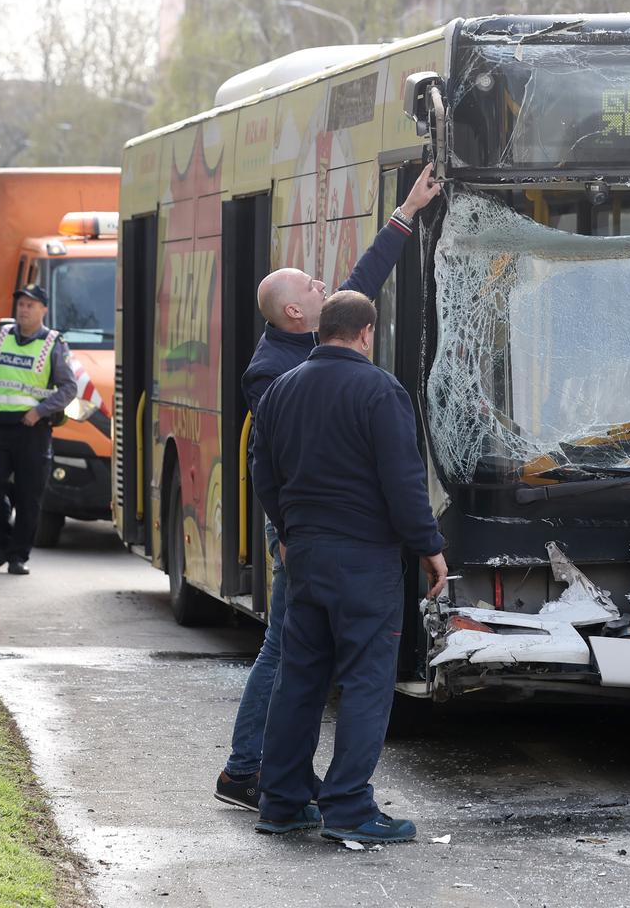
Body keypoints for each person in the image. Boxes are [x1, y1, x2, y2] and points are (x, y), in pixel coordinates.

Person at [214, 164, 442, 810]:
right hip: (302, 529)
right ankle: (246, 769)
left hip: (309, 529)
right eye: (315, 287)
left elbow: (361, 285)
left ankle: (277, 782)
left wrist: (406, 211)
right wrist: (287, 532)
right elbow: (269, 465)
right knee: (285, 651)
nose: (327, 287)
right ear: (296, 312)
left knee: (296, 653)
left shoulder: (313, 338)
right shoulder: (270, 372)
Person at [250, 291, 447, 845]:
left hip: (305, 556)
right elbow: (403, 481)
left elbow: (263, 472)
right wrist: (429, 546)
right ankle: (348, 808)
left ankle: (282, 801)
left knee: (299, 678)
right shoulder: (380, 391)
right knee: (366, 680)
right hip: (364, 560)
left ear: (322, 330)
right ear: (365, 333)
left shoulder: (282, 389)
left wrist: (289, 531)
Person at [0, 284, 77, 575]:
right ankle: (3, 543)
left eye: (30, 305)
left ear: (43, 310)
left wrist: (39, 411)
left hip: (32, 431)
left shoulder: (53, 343)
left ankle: (18, 556)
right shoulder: (2, 336)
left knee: (29, 497)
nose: (24, 310)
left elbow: (69, 387)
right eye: (21, 304)